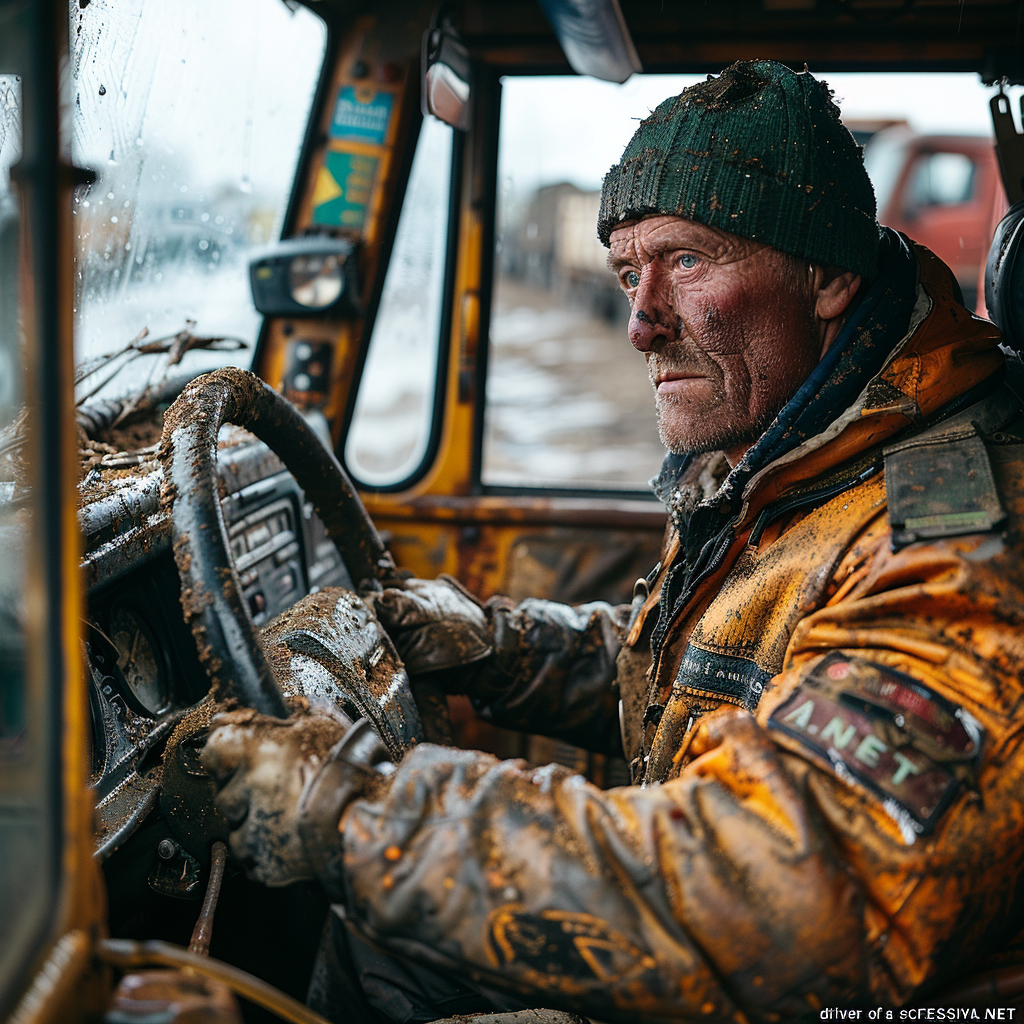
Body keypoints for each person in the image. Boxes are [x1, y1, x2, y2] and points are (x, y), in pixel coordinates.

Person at [201, 60, 1024, 1021]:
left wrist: (347, 809)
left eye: (687, 261)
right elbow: (710, 679)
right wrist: (493, 644)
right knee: (368, 949)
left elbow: (777, 892)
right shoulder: (807, 461)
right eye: (630, 272)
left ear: (830, 274)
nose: (640, 321)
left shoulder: (960, 543)